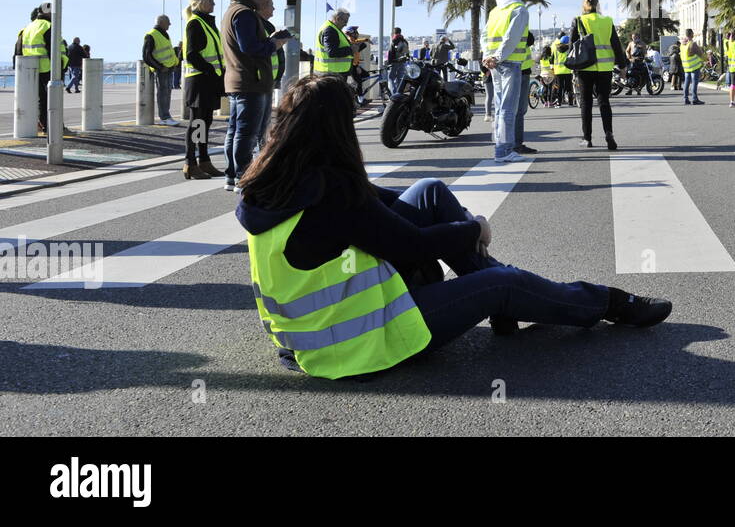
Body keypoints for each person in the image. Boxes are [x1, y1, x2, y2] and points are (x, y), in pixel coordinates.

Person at [235, 74, 671, 380]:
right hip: (360, 344)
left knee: (428, 189)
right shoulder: (328, 191)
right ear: (335, 129)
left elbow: (376, 205)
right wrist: (473, 229)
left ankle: (508, 305)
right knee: (502, 282)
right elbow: (412, 245)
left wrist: (454, 224)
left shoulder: (279, 179)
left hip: (311, 339)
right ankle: (610, 303)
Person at [221, 0, 289, 193]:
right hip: (251, 81)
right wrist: (274, 44)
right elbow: (250, 48)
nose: (267, 0)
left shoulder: (232, 11)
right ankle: (244, 176)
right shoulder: (245, 14)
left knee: (235, 130)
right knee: (246, 132)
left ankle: (232, 175)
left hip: (239, 80)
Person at [482, 0, 531, 164]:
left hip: (494, 64)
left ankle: (499, 148)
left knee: (499, 106)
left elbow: (484, 36)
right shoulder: (519, 9)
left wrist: (488, 57)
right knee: (508, 108)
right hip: (509, 63)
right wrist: (497, 56)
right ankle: (504, 151)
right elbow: (512, 38)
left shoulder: (495, 10)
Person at [569, 0, 627, 149]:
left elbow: (572, 46)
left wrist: (572, 68)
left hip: (585, 67)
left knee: (585, 103)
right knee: (604, 102)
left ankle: (587, 138)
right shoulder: (607, 21)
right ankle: (609, 133)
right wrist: (622, 66)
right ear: (597, 5)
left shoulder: (579, 20)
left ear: (584, 6)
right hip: (605, 68)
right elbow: (616, 45)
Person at [182, 0, 224, 180]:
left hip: (208, 81)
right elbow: (192, 55)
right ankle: (190, 163)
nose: (214, 4)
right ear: (201, 2)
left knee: (205, 123)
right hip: (199, 80)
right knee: (197, 122)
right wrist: (211, 71)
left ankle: (204, 160)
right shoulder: (195, 23)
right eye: (211, 0)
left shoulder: (206, 23)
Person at [19, 3, 55, 135]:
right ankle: (48, 126)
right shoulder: (48, 26)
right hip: (46, 68)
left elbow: (18, 48)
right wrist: (59, 69)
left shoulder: (28, 27)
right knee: (47, 99)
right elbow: (53, 50)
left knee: (32, 98)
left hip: (28, 69)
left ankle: (35, 124)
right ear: (48, 13)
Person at [142, 14, 180, 126]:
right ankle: (164, 117)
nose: (170, 24)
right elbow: (146, 56)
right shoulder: (151, 35)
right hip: (162, 70)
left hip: (169, 68)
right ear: (162, 22)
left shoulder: (164, 34)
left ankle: (167, 116)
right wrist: (159, 67)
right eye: (168, 22)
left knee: (167, 92)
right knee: (163, 93)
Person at [313, 8, 355, 80]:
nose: (346, 24)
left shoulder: (331, 28)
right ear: (338, 19)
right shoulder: (330, 30)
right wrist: (350, 50)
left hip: (330, 73)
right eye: (345, 21)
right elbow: (332, 52)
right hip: (332, 74)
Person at [261, 0, 286, 96]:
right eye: (272, 6)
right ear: (263, 7)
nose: (274, 9)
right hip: (262, 81)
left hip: (270, 79)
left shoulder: (269, 26)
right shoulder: (259, 25)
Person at [680, 28, 705, 104]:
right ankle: (694, 99)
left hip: (686, 66)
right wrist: (705, 60)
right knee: (694, 83)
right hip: (694, 67)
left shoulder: (682, 44)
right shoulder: (692, 44)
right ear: (691, 34)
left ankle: (685, 98)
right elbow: (700, 53)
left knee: (686, 83)